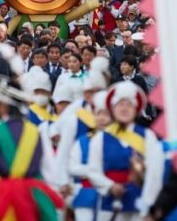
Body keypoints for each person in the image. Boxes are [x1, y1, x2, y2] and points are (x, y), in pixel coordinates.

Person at [0, 75, 63, 220]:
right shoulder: (38, 133)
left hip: (0, 201)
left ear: (3, 105)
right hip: (32, 202)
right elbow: (51, 174)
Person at [87, 81, 165, 220]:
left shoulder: (147, 136)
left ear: (136, 110)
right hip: (109, 202)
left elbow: (155, 173)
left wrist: (149, 204)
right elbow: (93, 170)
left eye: (129, 105)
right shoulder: (101, 138)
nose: (124, 108)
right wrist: (110, 186)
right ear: (113, 108)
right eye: (120, 104)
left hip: (139, 202)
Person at [68, 91, 111, 221]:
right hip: (85, 195)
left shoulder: (118, 141)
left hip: (110, 196)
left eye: (106, 114)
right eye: (99, 114)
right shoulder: (82, 141)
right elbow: (72, 167)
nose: (102, 118)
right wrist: (95, 170)